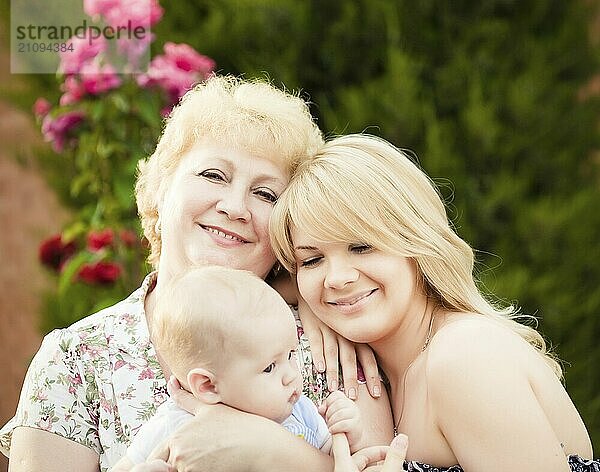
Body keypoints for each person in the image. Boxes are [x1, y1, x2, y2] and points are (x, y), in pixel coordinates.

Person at [0, 76, 391, 472]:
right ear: (160, 187)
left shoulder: (330, 345)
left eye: (265, 194)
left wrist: (268, 450)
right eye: (213, 175)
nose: (236, 207)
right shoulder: (76, 360)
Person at [269, 133, 599, 471]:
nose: (336, 278)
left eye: (361, 246)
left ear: (414, 239)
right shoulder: (383, 373)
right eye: (311, 261)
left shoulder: (464, 356)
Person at [111, 265, 366, 471]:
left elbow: (336, 461)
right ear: (208, 386)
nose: (290, 376)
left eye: (290, 354)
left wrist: (346, 434)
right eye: (269, 368)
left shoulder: (300, 410)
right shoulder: (175, 425)